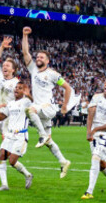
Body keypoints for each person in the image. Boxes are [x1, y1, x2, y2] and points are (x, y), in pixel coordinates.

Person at [21, 26, 72, 178]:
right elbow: (25, 52)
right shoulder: (33, 70)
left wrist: (64, 106)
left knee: (29, 110)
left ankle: (42, 135)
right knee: (49, 142)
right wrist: (24, 36)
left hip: (48, 107)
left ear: (48, 61)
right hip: (40, 110)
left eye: (42, 57)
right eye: (37, 57)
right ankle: (63, 161)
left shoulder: (53, 74)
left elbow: (67, 88)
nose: (38, 59)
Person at [0, 81, 34, 191]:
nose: (16, 89)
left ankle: (28, 175)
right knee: (2, 156)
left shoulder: (26, 102)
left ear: (23, 91)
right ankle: (4, 185)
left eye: (20, 88)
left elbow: (33, 102)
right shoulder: (10, 104)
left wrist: (28, 94)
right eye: (16, 87)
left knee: (12, 161)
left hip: (21, 135)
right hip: (10, 135)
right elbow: (1, 117)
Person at [0, 36, 20, 170]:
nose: (4, 67)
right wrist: (2, 46)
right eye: (4, 65)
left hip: (7, 115)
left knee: (5, 141)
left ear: (13, 70)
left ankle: (2, 165)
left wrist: (6, 105)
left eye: (7, 66)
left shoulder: (17, 84)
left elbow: (19, 102)